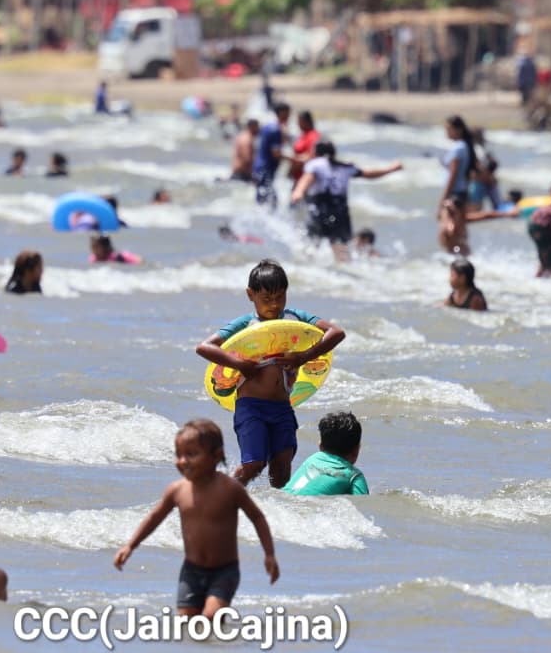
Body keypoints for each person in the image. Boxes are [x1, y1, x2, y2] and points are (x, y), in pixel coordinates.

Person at [196, 260, 346, 487]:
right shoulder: (246, 324)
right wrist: (240, 364)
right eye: (266, 299)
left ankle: (275, 515)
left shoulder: (295, 318)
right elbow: (205, 347)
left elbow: (336, 332)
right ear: (250, 294)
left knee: (282, 467)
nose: (274, 305)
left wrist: (304, 356)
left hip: (282, 408)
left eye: (280, 298)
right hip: (251, 407)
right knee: (254, 464)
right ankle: (221, 495)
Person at [114, 420, 279, 618]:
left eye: (191, 454)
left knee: (212, 616)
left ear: (216, 455)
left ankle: (222, 647)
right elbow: (154, 517)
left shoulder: (230, 489)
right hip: (191, 571)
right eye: (179, 455)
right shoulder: (177, 490)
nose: (183, 461)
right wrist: (130, 546)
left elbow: (257, 518)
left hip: (224, 571)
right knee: (187, 621)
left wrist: (269, 554)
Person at [289, 140, 402, 262]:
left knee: (311, 247)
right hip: (340, 213)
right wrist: (390, 169)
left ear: (316, 152)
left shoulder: (315, 164)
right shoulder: (345, 167)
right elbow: (368, 174)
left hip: (321, 211)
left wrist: (298, 191)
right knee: (342, 252)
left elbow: (308, 177)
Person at [285, 411, 369, 495]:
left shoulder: (312, 459)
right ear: (356, 450)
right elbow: (363, 506)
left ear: (320, 445)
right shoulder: (354, 476)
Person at [437, 196, 517, 256]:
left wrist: (507, 214)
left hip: (461, 253)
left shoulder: (463, 218)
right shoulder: (448, 221)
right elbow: (450, 229)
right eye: (452, 211)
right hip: (452, 255)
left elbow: (486, 215)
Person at [253, 102, 291, 207]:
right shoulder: (275, 130)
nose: (289, 116)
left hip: (259, 167)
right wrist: (294, 159)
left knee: (263, 198)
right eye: (287, 113)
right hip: (265, 168)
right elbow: (276, 154)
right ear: (281, 113)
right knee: (270, 201)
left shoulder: (268, 127)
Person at [440, 115, 477, 206]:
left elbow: (453, 174)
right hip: (461, 190)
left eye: (449, 129)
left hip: (455, 192)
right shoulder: (464, 146)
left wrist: (444, 197)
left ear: (459, 130)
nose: (447, 132)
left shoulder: (458, 148)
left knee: (449, 220)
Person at [467, 129, 503, 210]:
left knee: (474, 208)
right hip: (480, 181)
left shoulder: (476, 149)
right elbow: (481, 165)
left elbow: (479, 165)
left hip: (478, 182)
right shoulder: (479, 149)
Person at [287, 110, 321, 183]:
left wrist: (293, 168)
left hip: (306, 179)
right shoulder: (303, 135)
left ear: (306, 121)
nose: (297, 124)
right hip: (298, 177)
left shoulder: (313, 136)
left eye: (299, 121)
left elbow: (312, 156)